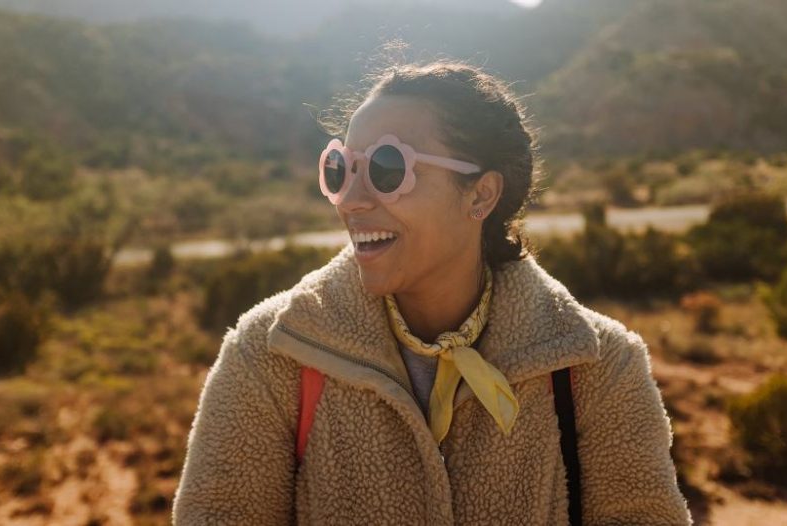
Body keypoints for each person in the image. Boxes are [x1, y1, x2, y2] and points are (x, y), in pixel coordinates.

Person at [173, 59, 692, 525]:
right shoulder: (270, 355)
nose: (351, 201)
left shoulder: (597, 368)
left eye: (386, 169)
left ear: (481, 194)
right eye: (341, 169)